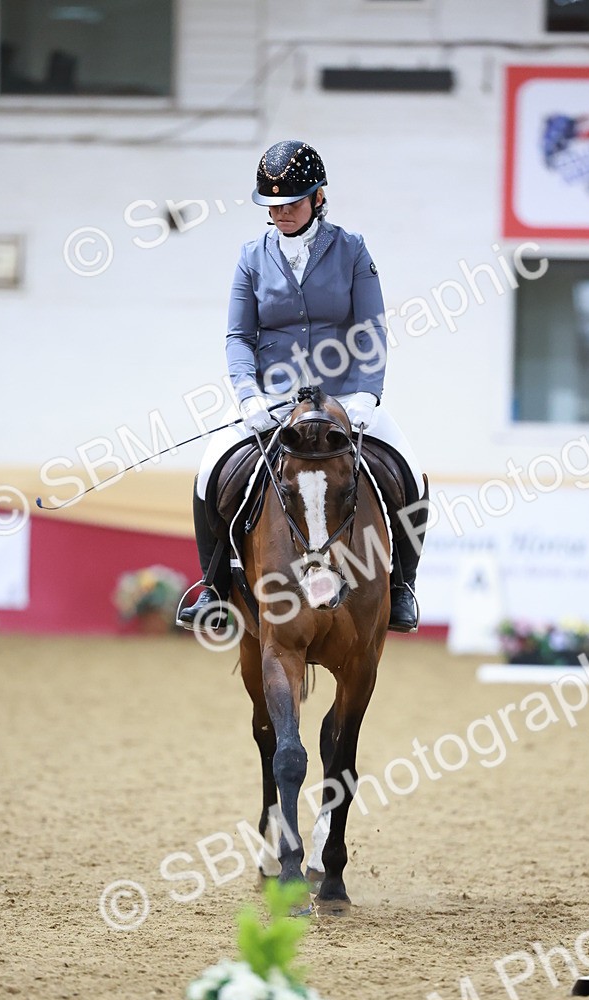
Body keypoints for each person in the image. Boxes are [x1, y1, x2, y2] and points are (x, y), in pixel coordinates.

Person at [178, 139, 429, 633]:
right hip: (274, 400)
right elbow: (238, 336)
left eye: (292, 203)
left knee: (410, 472)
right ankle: (212, 587)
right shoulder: (252, 256)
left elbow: (372, 328)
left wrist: (364, 395)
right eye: (272, 206)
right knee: (210, 471)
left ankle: (401, 585)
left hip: (344, 399)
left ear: (318, 198)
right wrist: (249, 395)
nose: (281, 213)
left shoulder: (352, 249)